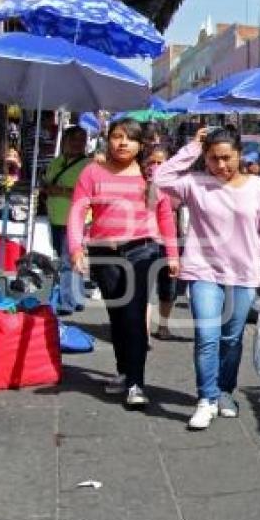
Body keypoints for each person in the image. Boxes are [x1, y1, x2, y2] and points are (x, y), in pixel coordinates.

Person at [153, 127, 260, 430]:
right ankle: (206, 398)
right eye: (213, 159)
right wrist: (192, 147)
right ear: (205, 158)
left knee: (232, 339)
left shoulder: (259, 188)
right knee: (207, 337)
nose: (221, 165)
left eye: (227, 158)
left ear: (240, 154)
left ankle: (225, 391)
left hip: (243, 276)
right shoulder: (195, 184)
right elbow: (160, 178)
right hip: (203, 271)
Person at [68, 118, 179, 407]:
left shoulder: (151, 175)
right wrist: (75, 248)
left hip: (142, 251)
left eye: (129, 138)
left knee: (133, 315)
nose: (122, 143)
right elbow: (78, 210)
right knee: (117, 315)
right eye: (117, 136)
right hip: (103, 252)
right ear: (108, 139)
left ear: (140, 144)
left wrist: (172, 253)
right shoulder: (92, 172)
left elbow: (165, 214)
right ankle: (123, 372)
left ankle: (136, 383)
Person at [43, 126, 90, 315]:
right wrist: (46, 189)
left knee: (67, 260)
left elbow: (89, 193)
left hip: (76, 219)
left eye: (81, 140)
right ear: (65, 141)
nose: (77, 144)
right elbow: (46, 183)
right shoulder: (56, 162)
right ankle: (77, 298)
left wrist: (61, 191)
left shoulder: (88, 165)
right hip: (55, 217)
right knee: (70, 259)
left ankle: (67, 302)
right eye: (74, 140)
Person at [140, 145, 185, 341]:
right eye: (152, 162)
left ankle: (163, 325)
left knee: (168, 287)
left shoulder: (176, 183)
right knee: (145, 288)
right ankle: (144, 332)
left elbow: (177, 206)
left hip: (169, 241)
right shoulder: (138, 183)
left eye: (160, 162)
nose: (155, 166)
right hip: (144, 242)